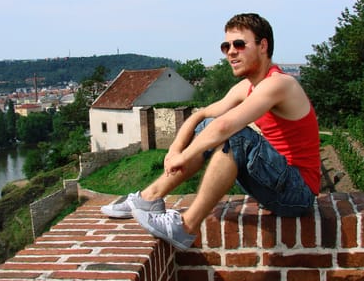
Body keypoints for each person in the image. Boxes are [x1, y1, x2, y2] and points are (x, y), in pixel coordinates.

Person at [101, 13, 321, 250]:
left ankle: (185, 227)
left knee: (235, 135)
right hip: (275, 183)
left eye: (239, 44)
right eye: (226, 46)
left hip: (298, 193)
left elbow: (224, 127)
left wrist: (183, 156)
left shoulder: (279, 83)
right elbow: (201, 115)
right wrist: (174, 150)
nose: (230, 52)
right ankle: (149, 198)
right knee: (211, 125)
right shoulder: (248, 87)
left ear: (263, 45)